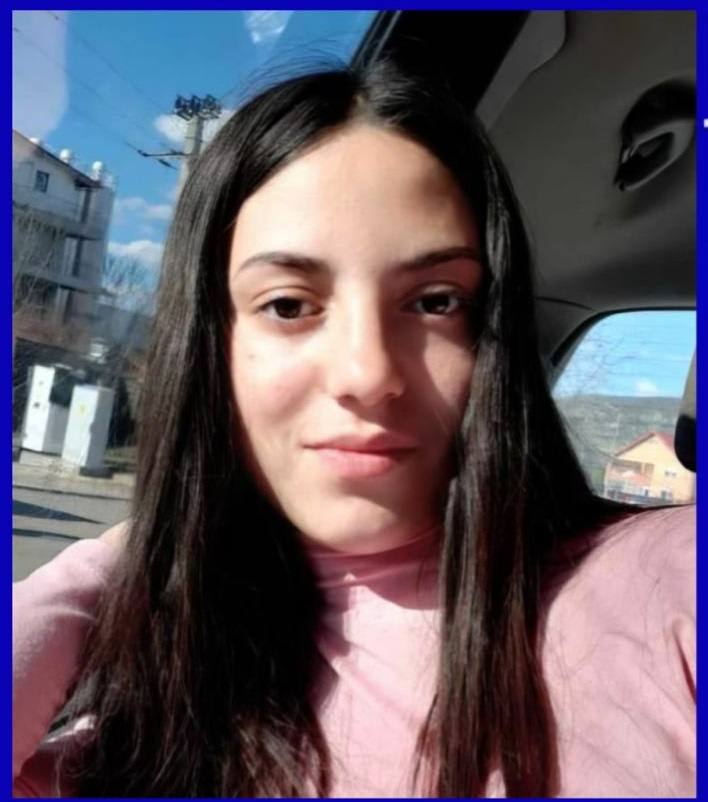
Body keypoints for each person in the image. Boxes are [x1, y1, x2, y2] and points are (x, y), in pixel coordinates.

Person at [12, 58, 695, 798]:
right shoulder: (148, 730)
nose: (368, 374)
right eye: (287, 305)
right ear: (209, 348)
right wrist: (134, 553)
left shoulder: (671, 583)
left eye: (435, 301)